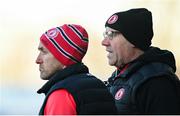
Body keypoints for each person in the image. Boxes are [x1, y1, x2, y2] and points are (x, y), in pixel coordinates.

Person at [101, 8, 180, 114]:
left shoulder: (157, 83)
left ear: (132, 39)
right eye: (105, 35)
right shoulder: (120, 75)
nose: (104, 42)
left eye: (111, 34)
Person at [36, 24, 117, 115]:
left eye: (44, 52)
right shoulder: (99, 85)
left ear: (64, 57)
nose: (37, 60)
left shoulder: (62, 94)